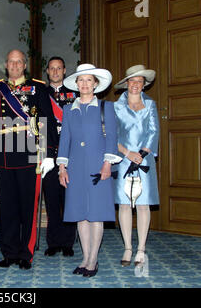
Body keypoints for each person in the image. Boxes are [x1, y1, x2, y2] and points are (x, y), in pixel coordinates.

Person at [0, 49, 58, 270]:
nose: (15, 66)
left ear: (24, 65)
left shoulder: (38, 87)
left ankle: (26, 254)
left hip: (30, 154)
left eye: (19, 62)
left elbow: (48, 121)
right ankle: (9, 253)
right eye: (11, 62)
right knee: (7, 209)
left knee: (28, 208)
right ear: (6, 65)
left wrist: (50, 154)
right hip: (4, 154)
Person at [57, 63, 121, 277]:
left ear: (95, 84)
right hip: (75, 167)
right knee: (80, 214)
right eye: (81, 80)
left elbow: (112, 137)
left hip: (98, 166)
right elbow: (65, 138)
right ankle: (85, 257)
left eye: (89, 80)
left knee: (96, 214)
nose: (84, 84)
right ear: (76, 84)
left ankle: (93, 259)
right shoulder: (68, 109)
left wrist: (107, 163)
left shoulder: (106, 107)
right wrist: (62, 167)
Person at [112, 65, 159, 267]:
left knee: (142, 205)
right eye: (132, 81)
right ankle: (127, 248)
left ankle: (140, 249)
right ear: (126, 84)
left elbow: (154, 131)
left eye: (140, 81)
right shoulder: (116, 106)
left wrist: (141, 154)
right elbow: (111, 135)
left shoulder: (151, 105)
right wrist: (127, 153)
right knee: (124, 204)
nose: (136, 85)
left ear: (144, 85)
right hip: (123, 160)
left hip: (144, 160)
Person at [42, 56, 77, 257]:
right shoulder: (41, 93)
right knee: (52, 200)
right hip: (48, 153)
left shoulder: (74, 93)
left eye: (59, 68)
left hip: (71, 153)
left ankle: (68, 242)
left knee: (69, 199)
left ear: (64, 71)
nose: (55, 72)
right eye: (52, 68)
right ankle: (53, 242)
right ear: (47, 71)